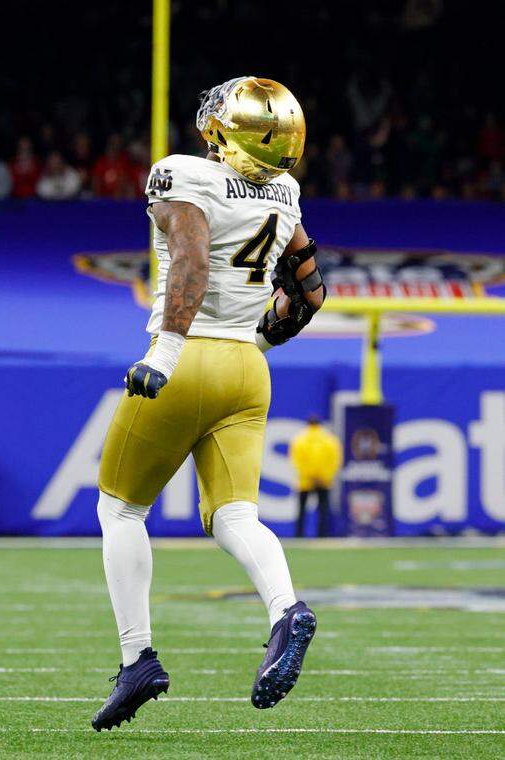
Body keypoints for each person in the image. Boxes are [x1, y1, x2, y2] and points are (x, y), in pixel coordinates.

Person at [92, 77, 326, 730]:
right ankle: (286, 610)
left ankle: (137, 659)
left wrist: (167, 353)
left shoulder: (184, 174)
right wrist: (256, 342)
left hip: (189, 356)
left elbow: (192, 261)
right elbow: (310, 293)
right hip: (248, 370)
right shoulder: (285, 193)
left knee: (120, 509)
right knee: (234, 516)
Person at [289, 415, 343, 537]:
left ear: (308, 424)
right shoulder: (330, 440)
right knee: (323, 510)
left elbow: (296, 461)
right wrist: (324, 476)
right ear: (320, 424)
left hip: (305, 481)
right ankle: (322, 535)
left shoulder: (300, 440)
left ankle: (299, 535)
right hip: (323, 481)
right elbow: (335, 460)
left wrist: (309, 476)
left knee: (302, 509)